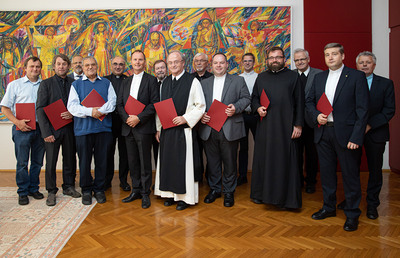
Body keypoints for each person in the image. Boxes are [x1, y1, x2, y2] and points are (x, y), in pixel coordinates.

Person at [306, 43, 369, 231]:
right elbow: (309, 102)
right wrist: (316, 115)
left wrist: (357, 137)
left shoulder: (356, 76)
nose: (330, 57)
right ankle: (328, 207)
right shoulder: (319, 78)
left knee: (350, 176)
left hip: (347, 135)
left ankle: (352, 214)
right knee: (326, 173)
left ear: (342, 56)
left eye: (334, 54)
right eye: (327, 55)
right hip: (323, 132)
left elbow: (363, 110)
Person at [336, 51, 395, 220]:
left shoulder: (385, 84)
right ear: (356, 65)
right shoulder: (347, 82)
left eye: (367, 62)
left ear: (374, 65)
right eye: (361, 62)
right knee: (350, 169)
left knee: (375, 170)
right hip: (352, 133)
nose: (364, 65)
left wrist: (369, 125)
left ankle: (372, 204)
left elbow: (389, 110)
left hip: (375, 134)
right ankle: (351, 200)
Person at [251, 46, 304, 210]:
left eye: (278, 57)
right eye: (271, 58)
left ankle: (287, 200)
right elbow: (254, 98)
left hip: (285, 127)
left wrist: (298, 124)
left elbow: (300, 102)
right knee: (264, 160)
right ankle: (262, 195)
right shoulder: (261, 77)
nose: (275, 60)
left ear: (284, 59)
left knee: (285, 162)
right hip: (266, 127)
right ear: (267, 60)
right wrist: (258, 107)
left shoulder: (293, 77)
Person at [154, 50, 205, 211]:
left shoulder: (193, 81)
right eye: (170, 63)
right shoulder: (165, 82)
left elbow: (201, 106)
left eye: (176, 62)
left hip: (184, 131)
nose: (173, 65)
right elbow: (160, 108)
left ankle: (184, 198)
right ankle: (169, 194)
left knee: (183, 165)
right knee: (167, 163)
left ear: (183, 63)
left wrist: (185, 118)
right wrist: (158, 128)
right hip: (167, 131)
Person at [199, 53, 250, 207]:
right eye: (216, 63)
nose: (219, 66)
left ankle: (228, 191)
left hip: (229, 127)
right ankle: (215, 189)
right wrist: (201, 115)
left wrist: (236, 107)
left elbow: (246, 98)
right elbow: (198, 103)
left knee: (229, 162)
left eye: (222, 63)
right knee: (212, 161)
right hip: (209, 127)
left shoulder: (238, 80)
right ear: (211, 65)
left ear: (227, 65)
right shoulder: (204, 83)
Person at [67, 56, 116, 205]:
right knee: (84, 162)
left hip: (103, 129)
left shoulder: (107, 83)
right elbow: (72, 107)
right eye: (87, 65)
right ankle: (86, 190)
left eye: (92, 64)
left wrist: (98, 111)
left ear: (97, 66)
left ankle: (99, 189)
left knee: (102, 161)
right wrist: (90, 112)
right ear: (82, 67)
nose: (90, 67)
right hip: (83, 130)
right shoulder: (76, 85)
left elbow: (112, 103)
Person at [36, 54, 81, 206]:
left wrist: (72, 113)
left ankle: (69, 186)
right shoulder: (46, 84)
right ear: (54, 66)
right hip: (52, 130)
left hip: (70, 128)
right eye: (58, 64)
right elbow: (40, 109)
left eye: (64, 64)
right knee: (51, 162)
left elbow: (79, 105)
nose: (61, 66)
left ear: (69, 66)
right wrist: (46, 132)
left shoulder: (74, 83)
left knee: (70, 159)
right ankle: (51, 191)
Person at [117, 50, 159, 209]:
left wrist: (138, 118)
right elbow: (119, 104)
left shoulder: (151, 80)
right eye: (135, 59)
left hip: (143, 127)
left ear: (144, 62)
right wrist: (127, 119)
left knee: (144, 162)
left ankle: (145, 193)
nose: (137, 62)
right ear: (131, 61)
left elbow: (154, 104)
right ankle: (135, 190)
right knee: (132, 161)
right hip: (128, 127)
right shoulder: (125, 81)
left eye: (140, 60)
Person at [0, 56, 45, 205]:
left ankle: (33, 188)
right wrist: (17, 122)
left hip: (40, 128)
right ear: (25, 68)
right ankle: (23, 192)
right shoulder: (15, 85)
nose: (35, 69)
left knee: (37, 162)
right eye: (32, 66)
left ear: (41, 69)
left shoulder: (44, 85)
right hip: (21, 129)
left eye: (38, 67)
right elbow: (5, 108)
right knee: (22, 162)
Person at [293, 48, 322, 194]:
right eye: (297, 60)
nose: (300, 62)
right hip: (295, 123)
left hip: (312, 122)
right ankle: (298, 181)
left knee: (312, 154)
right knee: (296, 154)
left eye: (302, 59)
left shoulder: (319, 74)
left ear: (308, 59)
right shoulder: (290, 75)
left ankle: (311, 181)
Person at [104, 56, 130, 191]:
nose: (118, 66)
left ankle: (123, 180)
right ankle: (107, 180)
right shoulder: (104, 80)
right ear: (111, 65)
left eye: (121, 64)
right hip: (108, 122)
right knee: (108, 152)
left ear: (124, 66)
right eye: (115, 64)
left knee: (124, 153)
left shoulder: (129, 80)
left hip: (124, 122)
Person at [191, 53, 213, 182]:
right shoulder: (189, 79)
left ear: (207, 63)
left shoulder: (213, 77)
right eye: (196, 61)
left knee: (210, 153)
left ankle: (211, 179)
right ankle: (196, 179)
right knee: (195, 152)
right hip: (193, 122)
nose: (199, 63)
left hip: (208, 120)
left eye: (201, 61)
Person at [238, 53, 258, 185]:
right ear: (242, 63)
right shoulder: (238, 79)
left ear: (254, 62)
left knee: (260, 145)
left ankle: (258, 174)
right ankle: (242, 175)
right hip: (242, 115)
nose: (247, 63)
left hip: (256, 115)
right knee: (243, 147)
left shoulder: (260, 77)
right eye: (245, 61)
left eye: (250, 61)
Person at [152, 59, 168, 165]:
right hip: (154, 124)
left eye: (162, 68)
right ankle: (159, 179)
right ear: (154, 71)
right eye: (157, 68)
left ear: (166, 69)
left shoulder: (171, 83)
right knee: (156, 152)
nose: (160, 70)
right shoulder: (151, 83)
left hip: (169, 123)